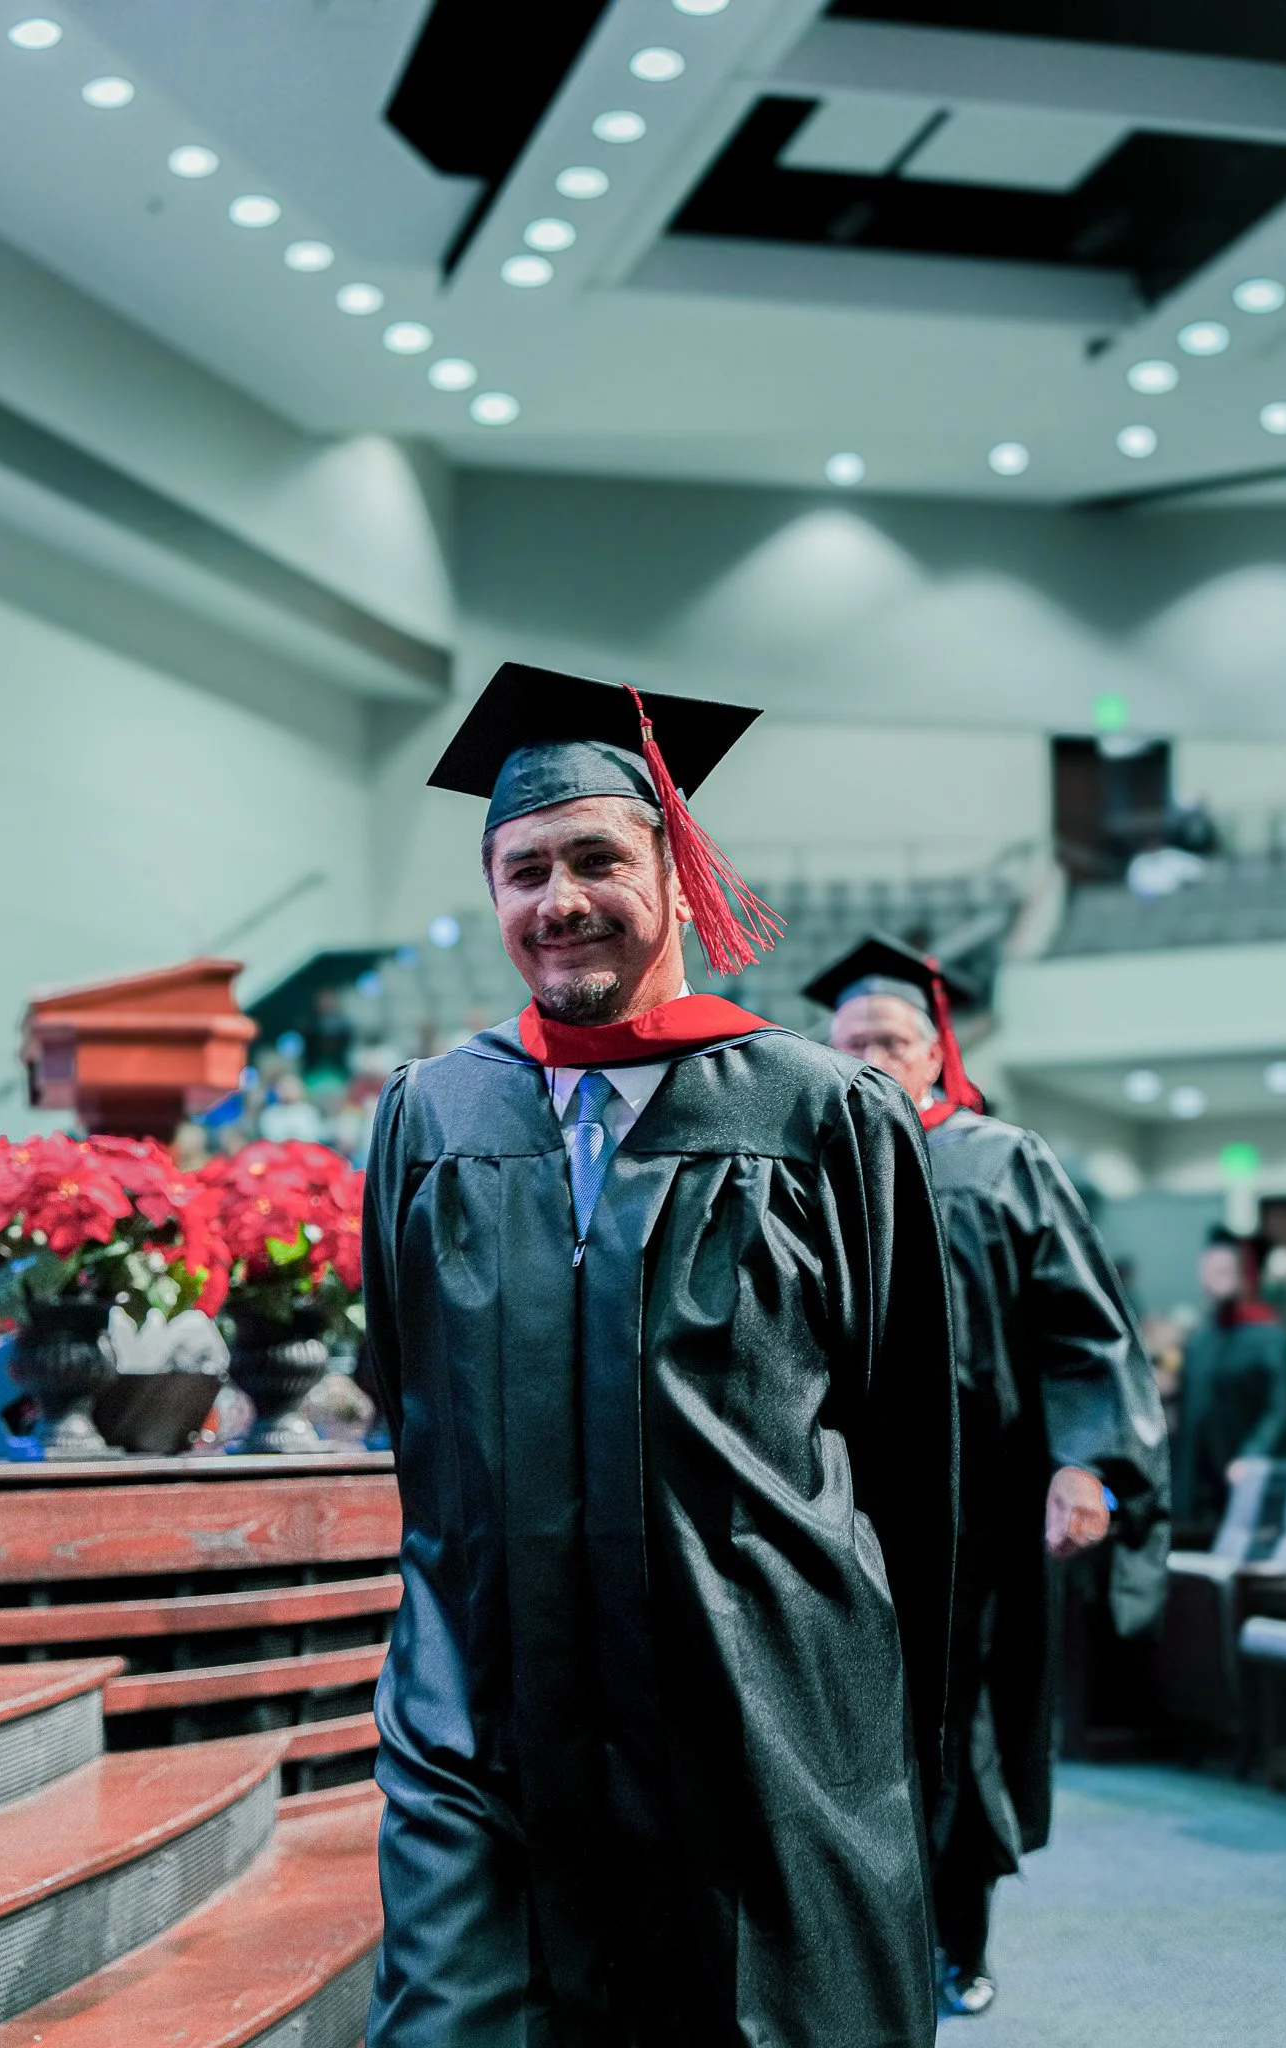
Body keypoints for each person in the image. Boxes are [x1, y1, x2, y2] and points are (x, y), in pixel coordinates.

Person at [361, 666, 958, 2048]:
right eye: (523, 870)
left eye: (593, 859)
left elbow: (906, 1439)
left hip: (753, 1701)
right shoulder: (432, 1113)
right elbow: (413, 1400)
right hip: (488, 1705)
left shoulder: (821, 1113)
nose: (557, 899)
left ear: (675, 874)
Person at [808, 933, 1169, 2021]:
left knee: (959, 1727)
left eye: (894, 1039)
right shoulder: (802, 1161)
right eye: (854, 1040)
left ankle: (955, 1935)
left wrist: (1086, 1465)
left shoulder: (1002, 1160)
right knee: (840, 1722)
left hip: (983, 1514)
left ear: (936, 1053)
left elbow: (1083, 1331)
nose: (874, 1055)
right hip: (841, 1507)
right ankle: (854, 1943)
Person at [1172, 1226, 1286, 1532]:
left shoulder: (1270, 1338)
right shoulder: (1200, 1340)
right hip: (1200, 1485)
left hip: (1247, 1475)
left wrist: (1253, 1456)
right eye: (1208, 1269)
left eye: (1224, 1269)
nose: (1214, 1277)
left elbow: (1283, 1408)